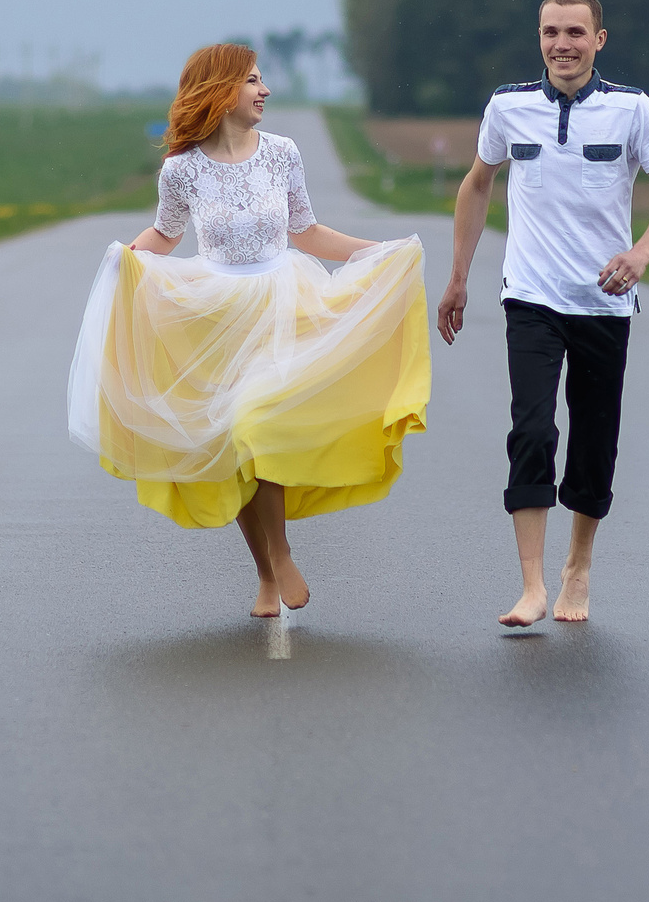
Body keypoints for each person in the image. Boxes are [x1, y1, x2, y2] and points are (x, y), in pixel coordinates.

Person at [68, 45, 430, 619]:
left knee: (261, 423)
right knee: (233, 442)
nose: (264, 92)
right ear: (221, 90)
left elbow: (305, 231)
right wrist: (127, 258)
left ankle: (280, 556)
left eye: (263, 81)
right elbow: (165, 235)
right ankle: (267, 572)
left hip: (284, 304)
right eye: (254, 82)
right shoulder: (182, 168)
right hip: (215, 315)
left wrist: (376, 253)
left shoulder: (282, 154)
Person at [436, 0, 649, 627]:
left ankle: (577, 566)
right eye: (551, 32)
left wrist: (641, 256)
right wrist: (458, 277)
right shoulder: (508, 107)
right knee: (530, 430)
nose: (562, 44)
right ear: (540, 39)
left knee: (593, 440)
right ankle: (531, 585)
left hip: (604, 303)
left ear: (599, 39)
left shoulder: (632, 110)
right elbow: (476, 184)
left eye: (575, 33)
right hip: (530, 296)